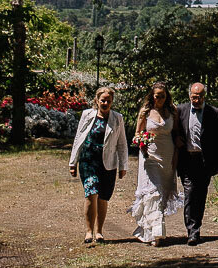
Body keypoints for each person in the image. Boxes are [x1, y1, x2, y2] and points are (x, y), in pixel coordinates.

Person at [68, 87, 127, 243]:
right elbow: (78, 138)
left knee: (103, 197)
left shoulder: (117, 118)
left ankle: (99, 231)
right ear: (97, 100)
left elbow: (122, 144)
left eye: (108, 100)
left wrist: (123, 166)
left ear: (112, 102)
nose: (105, 103)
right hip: (88, 160)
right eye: (102, 100)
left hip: (108, 163)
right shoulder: (87, 115)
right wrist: (73, 162)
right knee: (91, 192)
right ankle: (88, 232)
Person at [129, 81, 183, 246]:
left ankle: (149, 231)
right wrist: (142, 143)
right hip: (150, 156)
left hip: (167, 155)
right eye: (157, 96)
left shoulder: (172, 112)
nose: (159, 99)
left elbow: (176, 134)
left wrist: (176, 154)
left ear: (167, 96)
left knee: (162, 193)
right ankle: (157, 234)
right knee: (154, 192)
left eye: (163, 96)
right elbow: (137, 135)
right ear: (152, 96)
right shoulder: (145, 112)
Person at [173, 82, 218, 246]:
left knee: (200, 196)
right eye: (194, 96)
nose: (197, 100)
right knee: (189, 194)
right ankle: (192, 232)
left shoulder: (214, 113)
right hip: (187, 159)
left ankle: (196, 227)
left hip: (205, 161)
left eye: (200, 97)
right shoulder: (180, 110)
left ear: (204, 96)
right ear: (190, 95)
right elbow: (173, 131)